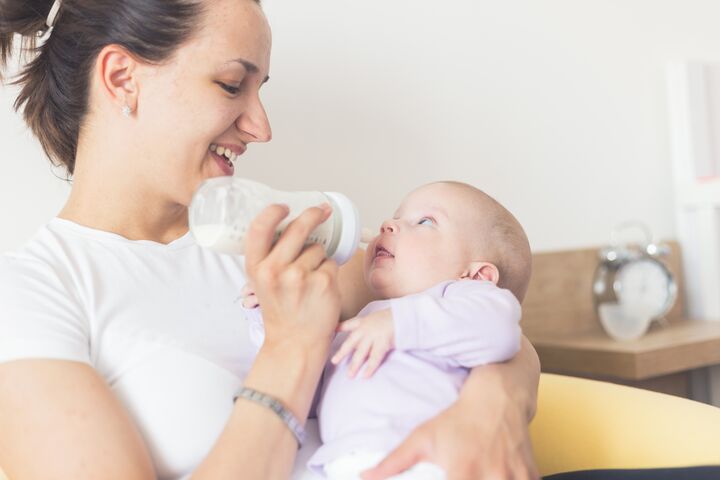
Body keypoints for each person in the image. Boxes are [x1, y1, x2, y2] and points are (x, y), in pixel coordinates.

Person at [0, 1, 541, 479]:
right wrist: (292, 350)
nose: (261, 128)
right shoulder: (32, 296)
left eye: (260, 91)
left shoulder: (280, 241)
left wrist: (489, 409)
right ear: (122, 78)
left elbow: (481, 313)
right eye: (233, 84)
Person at [242, 181, 531, 479]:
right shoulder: (365, 321)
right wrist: (270, 316)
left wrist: (399, 323)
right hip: (343, 463)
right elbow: (304, 390)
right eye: (395, 216)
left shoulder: (460, 301)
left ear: (476, 276)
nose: (388, 224)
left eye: (425, 221)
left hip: (428, 461)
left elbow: (500, 329)